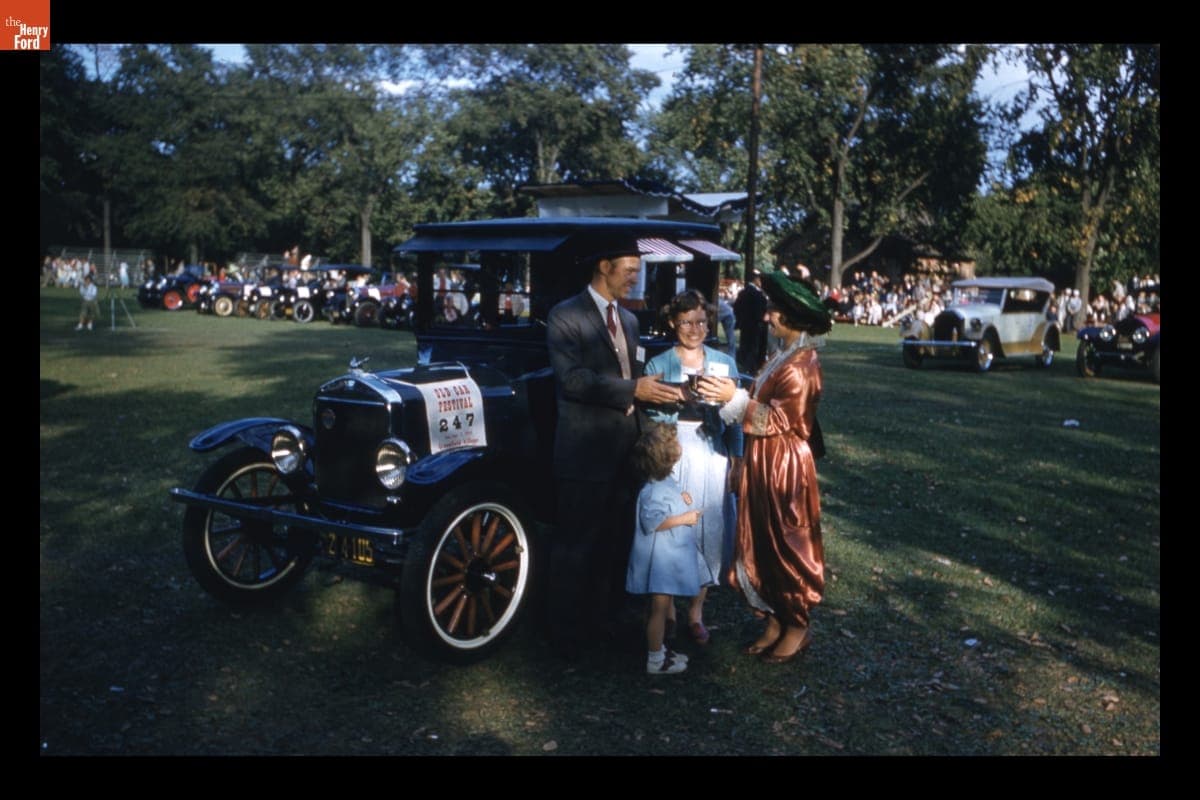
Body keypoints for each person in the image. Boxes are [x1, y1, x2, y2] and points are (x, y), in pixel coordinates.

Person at [544, 233, 683, 659]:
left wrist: (658, 399)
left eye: (638, 272)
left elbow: (636, 377)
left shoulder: (631, 321)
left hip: (626, 455)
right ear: (604, 266)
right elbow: (572, 380)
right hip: (584, 455)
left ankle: (605, 620)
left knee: (616, 542)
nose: (635, 279)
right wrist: (633, 388)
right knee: (576, 546)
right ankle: (564, 634)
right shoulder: (565, 316)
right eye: (629, 270)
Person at [697, 270, 832, 665]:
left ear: (791, 316)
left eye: (773, 310)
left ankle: (796, 624)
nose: (766, 316)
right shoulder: (783, 355)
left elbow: (783, 422)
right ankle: (773, 616)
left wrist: (733, 398)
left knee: (786, 541)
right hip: (763, 458)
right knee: (759, 538)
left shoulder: (804, 364)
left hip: (784, 465)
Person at [642, 290, 742, 647]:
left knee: (708, 527)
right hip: (673, 451)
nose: (695, 328)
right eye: (686, 322)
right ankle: (666, 610)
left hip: (711, 451)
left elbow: (736, 418)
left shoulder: (724, 362)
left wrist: (737, 458)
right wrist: (680, 397)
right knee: (671, 530)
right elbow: (650, 415)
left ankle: (696, 612)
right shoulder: (658, 364)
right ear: (673, 323)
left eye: (701, 321)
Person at [626, 422, 705, 675]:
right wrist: (685, 518)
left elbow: (670, 496)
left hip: (669, 559)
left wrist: (682, 498)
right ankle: (655, 659)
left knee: (662, 604)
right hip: (660, 562)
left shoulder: (665, 480)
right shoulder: (652, 491)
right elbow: (653, 522)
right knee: (659, 609)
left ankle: (659, 648)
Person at [733, 270, 768, 374]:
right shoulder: (757, 295)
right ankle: (753, 369)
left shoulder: (743, 292)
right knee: (754, 349)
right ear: (756, 279)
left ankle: (744, 367)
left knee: (745, 346)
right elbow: (760, 312)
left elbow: (736, 307)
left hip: (746, 326)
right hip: (756, 327)